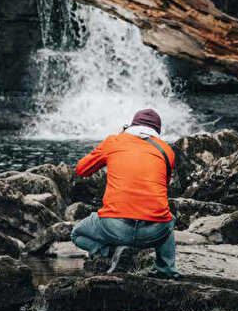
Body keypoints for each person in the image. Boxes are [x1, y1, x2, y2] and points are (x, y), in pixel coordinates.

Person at [71, 108, 179, 278]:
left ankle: (109, 251)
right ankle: (167, 271)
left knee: (76, 233)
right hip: (154, 233)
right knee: (169, 217)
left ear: (131, 126)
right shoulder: (167, 151)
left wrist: (117, 137)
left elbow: (81, 169)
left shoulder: (114, 141)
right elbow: (162, 187)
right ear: (157, 131)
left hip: (115, 228)